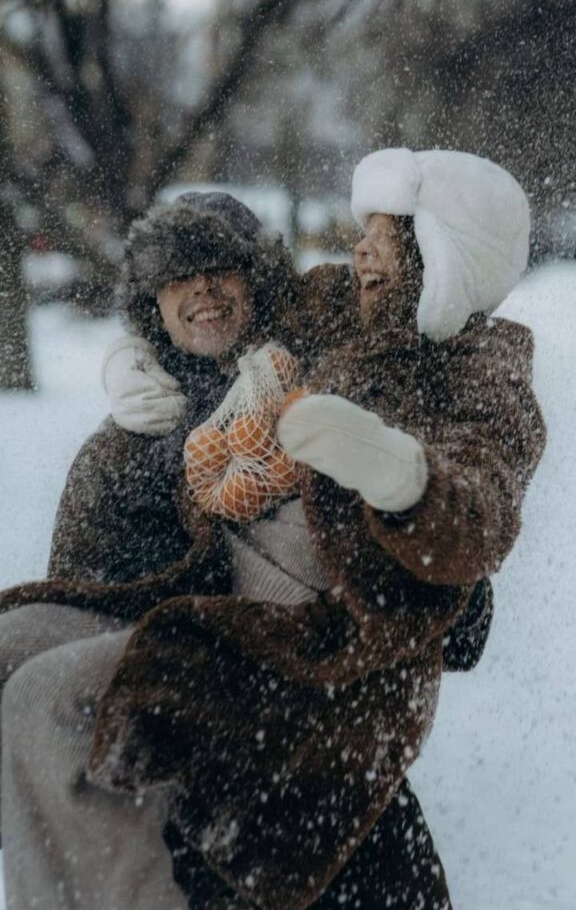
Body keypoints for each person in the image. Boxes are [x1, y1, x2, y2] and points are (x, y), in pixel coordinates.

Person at [0, 188, 455, 910]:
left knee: (42, 697)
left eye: (221, 268)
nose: (203, 290)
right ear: (152, 303)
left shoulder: (322, 388)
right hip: (173, 677)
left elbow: (447, 582)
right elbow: (85, 594)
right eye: (179, 276)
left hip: (301, 684)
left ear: (260, 279)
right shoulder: (122, 449)